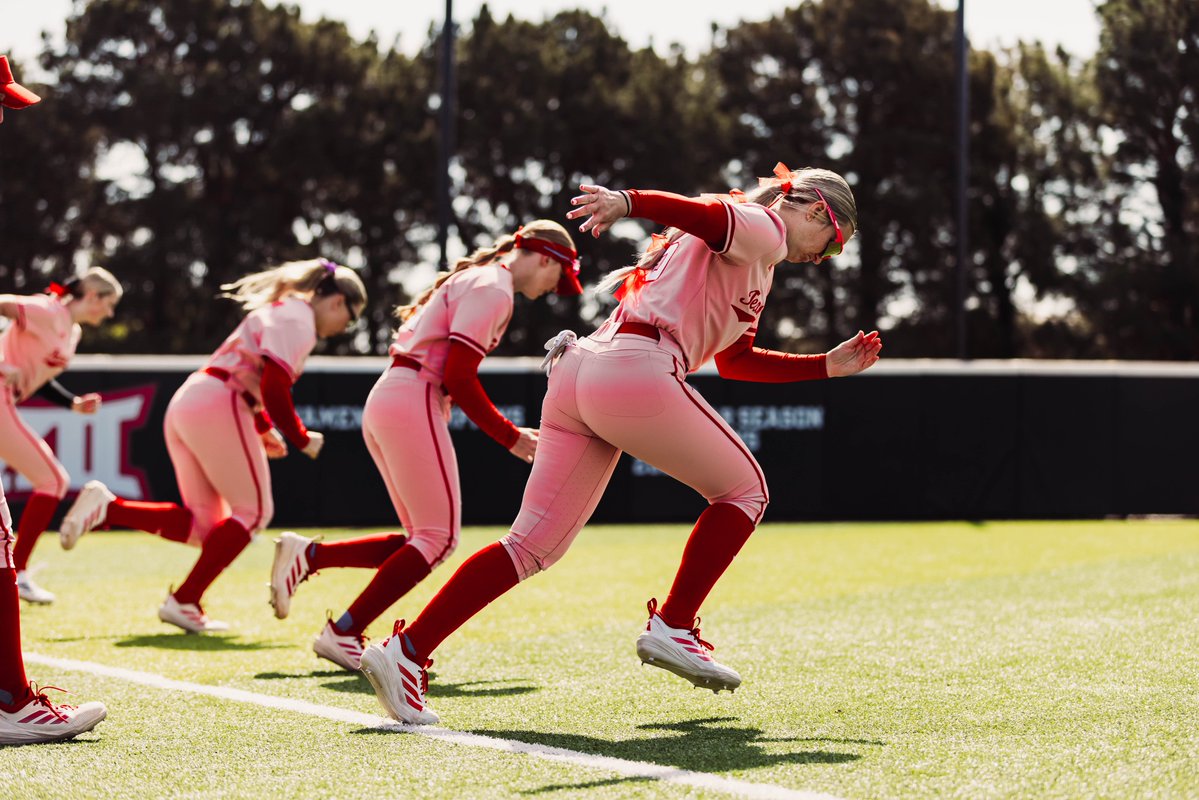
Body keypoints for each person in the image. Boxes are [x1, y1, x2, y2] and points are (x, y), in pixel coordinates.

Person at [360, 163, 883, 725]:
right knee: (745, 491)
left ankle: (405, 653)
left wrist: (823, 367)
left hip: (579, 372)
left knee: (531, 546)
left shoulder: (760, 259)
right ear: (812, 210)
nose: (824, 257)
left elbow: (734, 363)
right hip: (634, 369)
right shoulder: (766, 228)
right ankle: (675, 624)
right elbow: (701, 212)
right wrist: (627, 202)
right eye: (832, 243)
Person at [267, 220, 581, 671]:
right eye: (559, 276)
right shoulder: (494, 287)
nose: (555, 287)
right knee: (439, 537)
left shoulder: (482, 279)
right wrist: (509, 436)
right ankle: (344, 632)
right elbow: (458, 375)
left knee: (423, 538)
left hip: (395, 393)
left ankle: (312, 559)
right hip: (415, 395)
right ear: (548, 258)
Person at [59, 259, 366, 633]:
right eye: (350, 318)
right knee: (253, 512)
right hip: (221, 400)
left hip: (195, 398)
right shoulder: (299, 320)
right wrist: (300, 436)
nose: (344, 327)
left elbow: (252, 373)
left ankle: (110, 510)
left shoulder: (284, 311)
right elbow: (272, 385)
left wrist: (262, 425)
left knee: (207, 526)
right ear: (337, 302)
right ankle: (184, 599)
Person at [0, 52, 107, 744]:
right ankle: (12, 702)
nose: (4, 115)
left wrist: (66, 400)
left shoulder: (65, 325)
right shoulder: (47, 308)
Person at [0, 267, 122, 604]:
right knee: (52, 480)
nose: (110, 313)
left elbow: (40, 376)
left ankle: (15, 572)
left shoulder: (73, 331)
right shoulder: (46, 310)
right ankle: (16, 573)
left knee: (50, 480)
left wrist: (72, 404)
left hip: (7, 399)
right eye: (109, 304)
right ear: (93, 296)